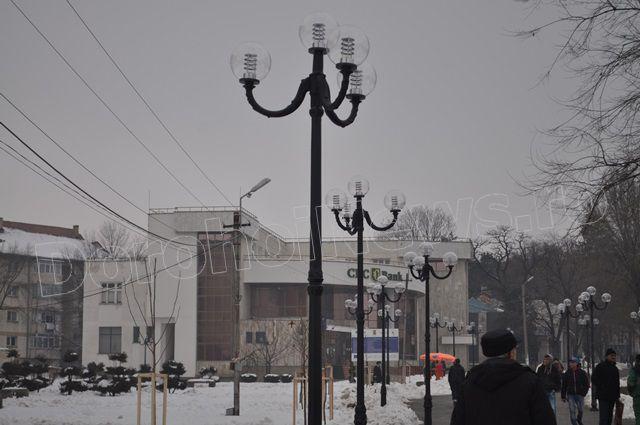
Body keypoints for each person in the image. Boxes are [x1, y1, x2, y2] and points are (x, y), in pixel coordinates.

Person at [450, 328, 556, 425]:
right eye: (514, 349)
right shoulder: (529, 381)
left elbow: (458, 420)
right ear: (511, 352)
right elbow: (545, 420)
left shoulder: (470, 382)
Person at [592, 348, 621, 425]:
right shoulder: (600, 366)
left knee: (609, 418)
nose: (613, 357)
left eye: (614, 355)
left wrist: (617, 396)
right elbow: (594, 378)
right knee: (603, 418)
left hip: (612, 397)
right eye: (611, 355)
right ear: (606, 356)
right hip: (603, 397)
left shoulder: (615, 369)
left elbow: (617, 384)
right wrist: (601, 386)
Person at [561, 357, 590, 425]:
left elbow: (586, 384)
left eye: (573, 362)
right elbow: (564, 385)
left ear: (577, 363)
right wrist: (563, 396)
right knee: (572, 410)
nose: (572, 364)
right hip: (571, 395)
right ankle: (574, 423)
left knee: (581, 410)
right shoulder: (567, 373)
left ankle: (579, 419)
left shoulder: (582, 373)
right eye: (571, 362)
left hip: (580, 394)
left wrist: (584, 393)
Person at [626, 354, 640, 425]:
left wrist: (632, 393)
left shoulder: (634, 370)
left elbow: (630, 384)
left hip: (637, 397)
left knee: (638, 417)